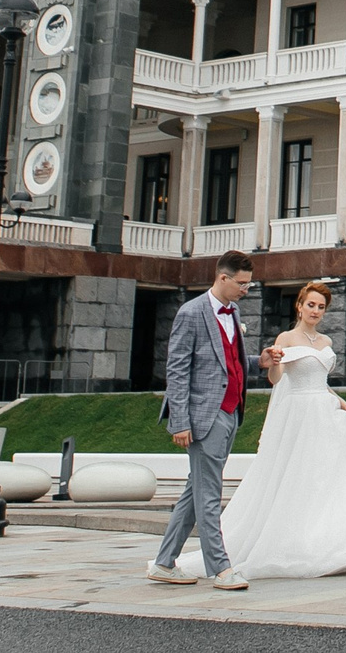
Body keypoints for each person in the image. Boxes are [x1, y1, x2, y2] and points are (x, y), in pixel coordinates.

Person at [174, 280, 346, 581]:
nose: (315, 311)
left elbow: (322, 387)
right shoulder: (286, 337)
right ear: (299, 306)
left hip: (325, 412)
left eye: (321, 307)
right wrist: (274, 360)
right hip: (300, 416)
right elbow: (275, 378)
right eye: (311, 305)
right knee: (301, 478)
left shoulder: (326, 343)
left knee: (329, 481)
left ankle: (331, 543)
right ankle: (294, 545)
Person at [149, 252, 259, 590]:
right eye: (241, 283)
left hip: (230, 413)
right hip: (203, 418)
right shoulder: (191, 312)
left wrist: (260, 361)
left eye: (248, 283)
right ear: (222, 278)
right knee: (209, 494)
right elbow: (177, 370)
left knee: (195, 490)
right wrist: (180, 421)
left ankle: (164, 563)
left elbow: (229, 362)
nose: (246, 289)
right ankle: (221, 570)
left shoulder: (234, 311)